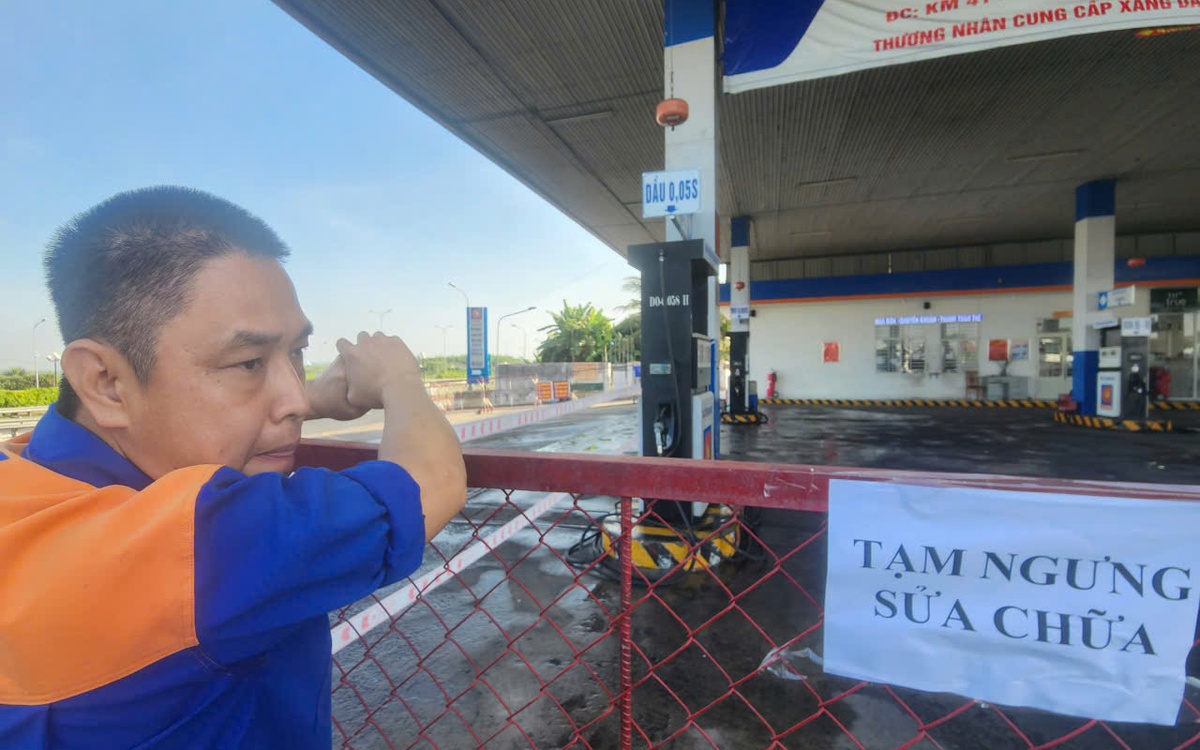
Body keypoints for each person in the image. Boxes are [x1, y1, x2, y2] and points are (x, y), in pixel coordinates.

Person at [0, 186, 467, 749]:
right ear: (105, 383)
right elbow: (433, 481)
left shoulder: (24, 480)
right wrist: (399, 379)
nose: (295, 400)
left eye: (295, 353)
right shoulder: (202, 545)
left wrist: (296, 397)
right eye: (248, 362)